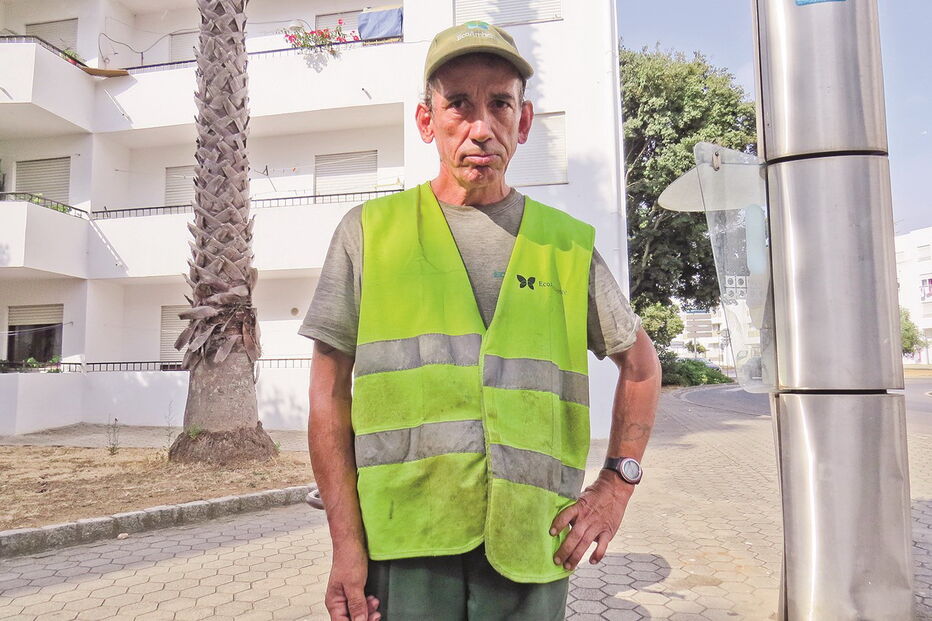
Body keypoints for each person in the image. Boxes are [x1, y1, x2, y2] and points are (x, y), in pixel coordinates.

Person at [299, 21, 661, 621]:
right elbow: (327, 393)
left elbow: (642, 366)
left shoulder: (565, 247)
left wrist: (615, 487)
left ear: (523, 122)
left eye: (499, 104)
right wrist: (345, 543)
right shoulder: (368, 234)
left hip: (532, 542)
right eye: (458, 104)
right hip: (404, 545)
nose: (480, 126)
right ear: (426, 121)